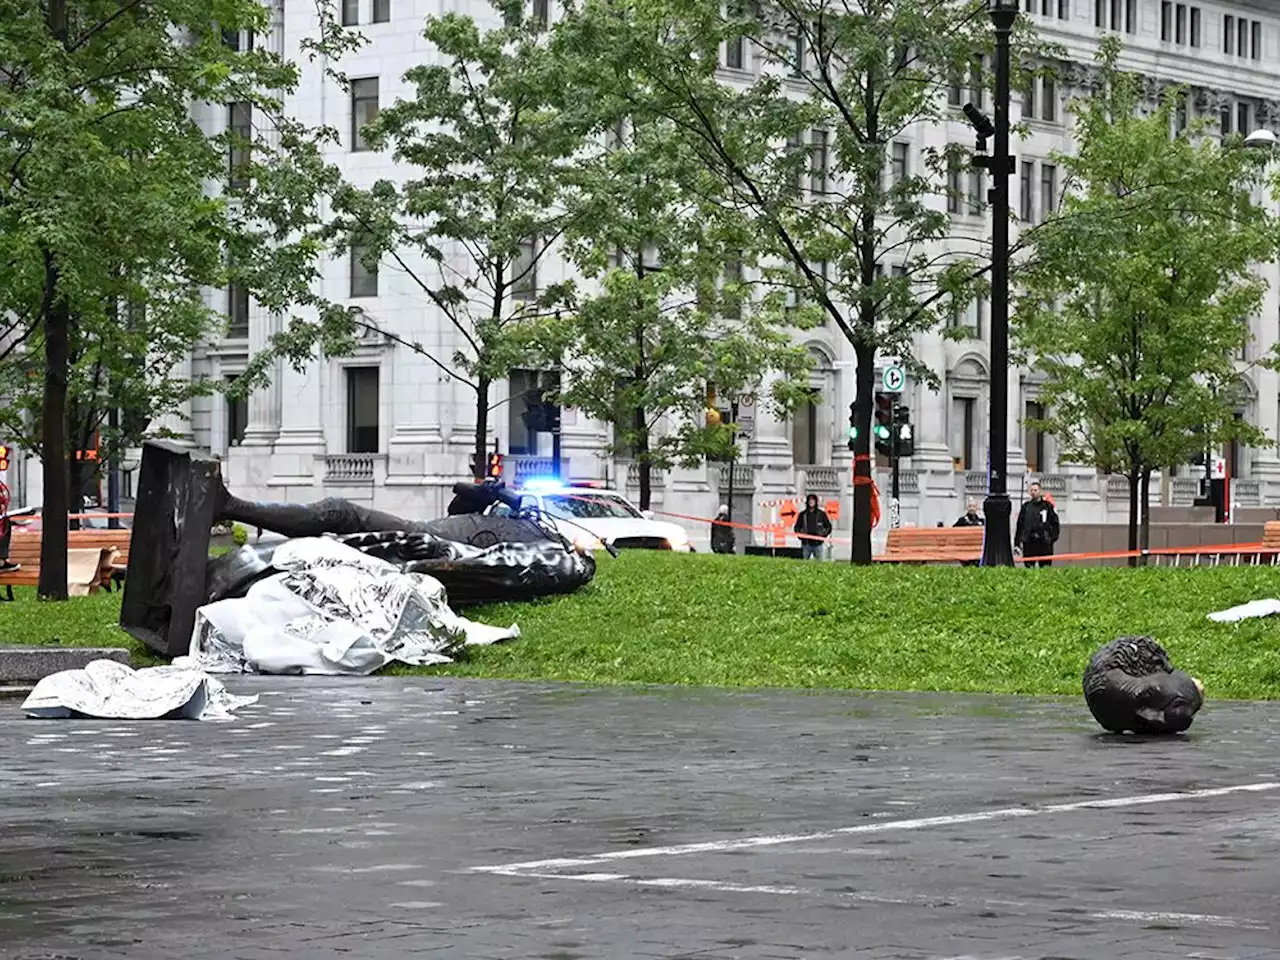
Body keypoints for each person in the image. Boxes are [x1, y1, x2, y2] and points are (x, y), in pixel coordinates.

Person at [1015, 481, 1060, 568]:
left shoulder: (1048, 506)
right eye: (1031, 490)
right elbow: (1020, 525)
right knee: (1029, 567)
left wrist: (1051, 538)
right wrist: (1018, 542)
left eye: (1035, 490)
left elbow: (1055, 523)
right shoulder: (1026, 507)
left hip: (1044, 544)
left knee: (1045, 568)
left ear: (1040, 491)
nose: (1033, 492)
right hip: (1029, 543)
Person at [794, 494, 832, 561]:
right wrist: (801, 536)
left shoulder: (821, 514)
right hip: (806, 544)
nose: (811, 502)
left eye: (813, 500)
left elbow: (828, 527)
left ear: (816, 502)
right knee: (804, 563)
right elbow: (796, 527)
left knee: (819, 564)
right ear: (807, 502)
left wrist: (823, 535)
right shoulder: (802, 515)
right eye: (810, 500)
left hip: (818, 544)